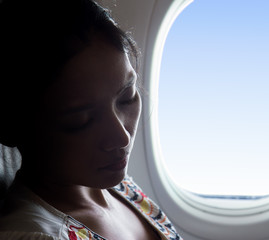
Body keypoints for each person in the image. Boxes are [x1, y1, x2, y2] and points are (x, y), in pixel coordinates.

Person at [0, 0, 183, 239]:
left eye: (127, 97)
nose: (122, 137)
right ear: (18, 125)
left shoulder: (121, 189)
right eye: (81, 120)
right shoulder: (35, 234)